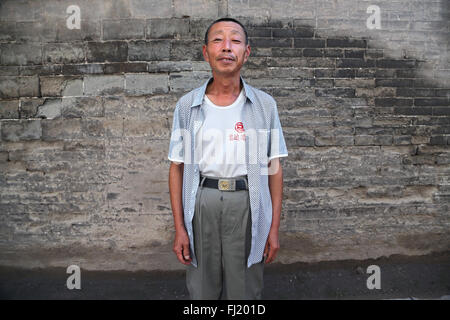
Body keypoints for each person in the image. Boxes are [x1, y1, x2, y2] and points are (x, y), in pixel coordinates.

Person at [168, 17, 288, 300]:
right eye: (217, 40)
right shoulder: (188, 106)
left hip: (247, 201)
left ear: (246, 52)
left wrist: (272, 228)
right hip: (203, 201)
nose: (226, 48)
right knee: (202, 288)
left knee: (245, 287)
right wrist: (179, 229)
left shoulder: (264, 105)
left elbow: (274, 168)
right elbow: (177, 168)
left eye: (235, 40)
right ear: (205, 51)